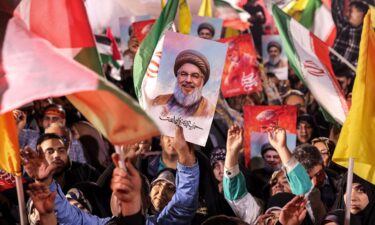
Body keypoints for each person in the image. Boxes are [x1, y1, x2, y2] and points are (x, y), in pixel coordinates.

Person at [151, 49, 215, 118]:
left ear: (202, 81)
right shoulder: (159, 101)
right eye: (183, 74)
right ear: (177, 76)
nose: (188, 80)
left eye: (195, 76)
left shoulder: (210, 112)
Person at [331, 0, 369, 77]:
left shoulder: (366, 38)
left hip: (344, 76)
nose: (347, 14)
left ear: (360, 14)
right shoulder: (343, 25)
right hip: (328, 67)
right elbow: (336, 9)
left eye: (351, 11)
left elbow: (361, 63)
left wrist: (346, 76)